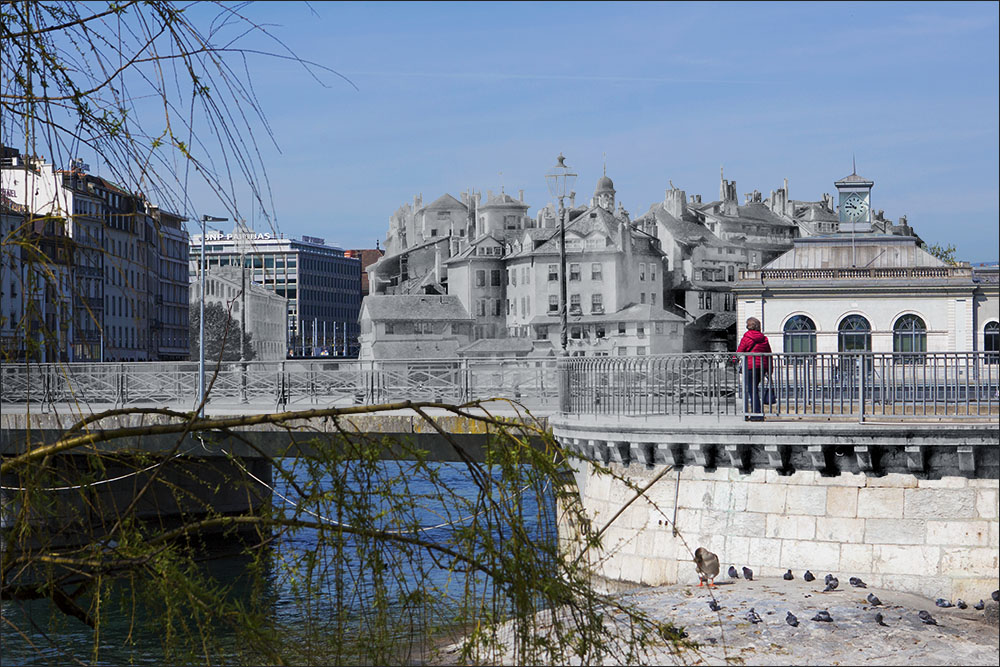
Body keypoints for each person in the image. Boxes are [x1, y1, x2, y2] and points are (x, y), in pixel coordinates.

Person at [736, 317, 771, 421]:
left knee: (751, 390)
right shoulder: (764, 339)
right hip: (762, 367)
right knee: (755, 388)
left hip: (751, 366)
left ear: (748, 326)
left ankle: (756, 414)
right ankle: (756, 413)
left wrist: (733, 360)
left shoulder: (747, 338)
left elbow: (739, 351)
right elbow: (769, 354)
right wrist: (770, 369)